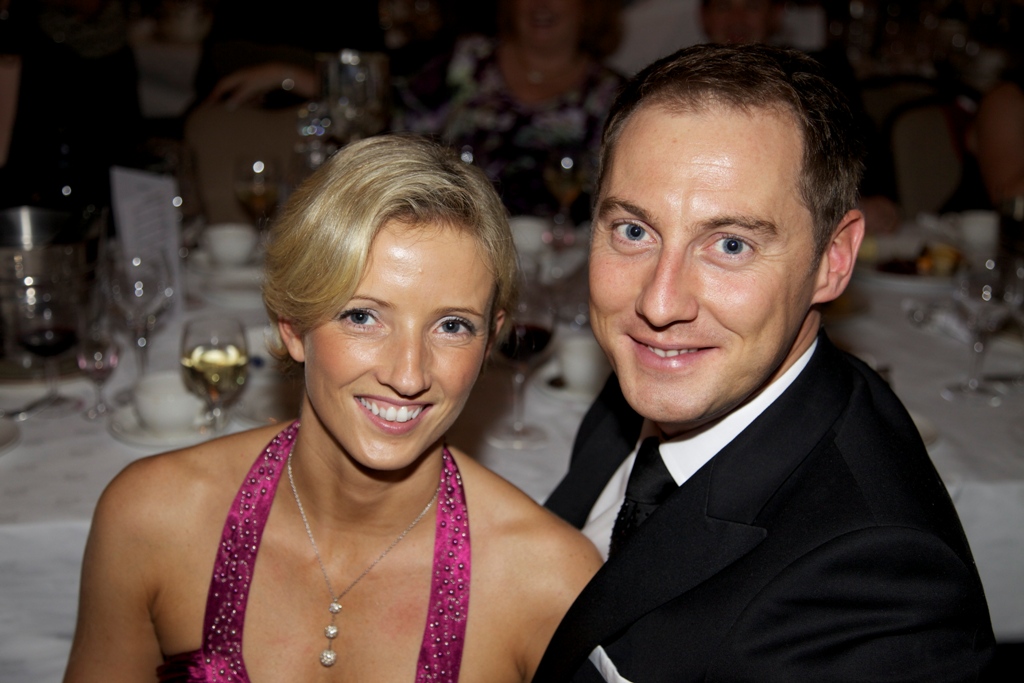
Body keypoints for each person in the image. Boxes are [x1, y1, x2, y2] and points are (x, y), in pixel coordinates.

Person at [64, 134, 601, 682]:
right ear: (292, 326)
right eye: (362, 317)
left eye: (452, 325)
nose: (408, 375)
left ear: (490, 342)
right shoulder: (151, 519)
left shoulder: (550, 585)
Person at [534, 44, 995, 682]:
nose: (658, 305)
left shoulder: (875, 595)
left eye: (731, 244)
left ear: (833, 259)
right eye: (634, 231)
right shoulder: (660, 380)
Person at [393, 0, 625, 220]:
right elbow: (401, 146)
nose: (540, 4)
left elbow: (613, 197)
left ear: (588, 7)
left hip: (561, 245)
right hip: (452, 227)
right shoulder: (467, 61)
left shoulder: (611, 95)